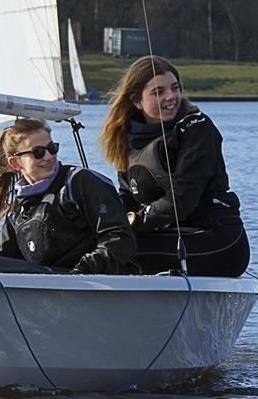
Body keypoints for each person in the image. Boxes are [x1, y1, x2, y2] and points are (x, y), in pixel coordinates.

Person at [99, 56, 249, 277]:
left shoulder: (196, 128)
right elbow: (128, 196)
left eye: (175, 88)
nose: (171, 97)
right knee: (97, 242)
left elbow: (182, 199)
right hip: (170, 237)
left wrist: (134, 222)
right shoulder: (126, 140)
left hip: (216, 240)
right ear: (137, 100)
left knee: (121, 251)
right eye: (158, 92)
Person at [0, 118, 138, 274]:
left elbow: (120, 238)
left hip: (101, 285)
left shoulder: (81, 182)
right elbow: (1, 260)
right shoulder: (17, 212)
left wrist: (80, 273)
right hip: (54, 289)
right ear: (15, 164)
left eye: (52, 148)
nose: (48, 156)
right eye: (38, 152)